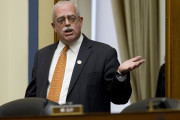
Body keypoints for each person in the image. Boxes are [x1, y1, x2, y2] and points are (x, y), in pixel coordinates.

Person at [25, 1, 145, 112]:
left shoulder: (104, 53)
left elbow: (120, 98)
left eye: (71, 18)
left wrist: (120, 74)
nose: (67, 23)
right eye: (61, 20)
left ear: (80, 21)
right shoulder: (42, 56)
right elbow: (31, 100)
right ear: (54, 27)